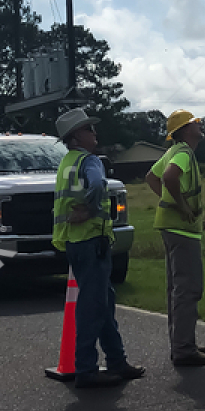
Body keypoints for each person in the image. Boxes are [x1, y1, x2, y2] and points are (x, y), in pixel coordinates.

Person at [52, 108, 144, 389]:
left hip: (75, 242)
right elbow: (98, 185)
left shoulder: (67, 161)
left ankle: (117, 361)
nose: (95, 133)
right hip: (93, 241)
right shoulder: (90, 161)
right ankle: (87, 370)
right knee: (93, 307)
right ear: (77, 135)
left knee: (102, 303)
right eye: (89, 129)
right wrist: (91, 209)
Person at [145, 110, 205, 367]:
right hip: (183, 230)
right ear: (186, 130)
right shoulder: (184, 153)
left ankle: (181, 343)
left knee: (176, 289)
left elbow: (151, 177)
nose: (200, 124)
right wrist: (182, 206)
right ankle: (185, 348)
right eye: (195, 122)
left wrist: (168, 201)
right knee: (189, 288)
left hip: (170, 228)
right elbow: (168, 177)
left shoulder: (173, 151)